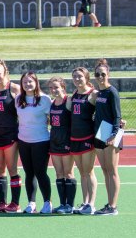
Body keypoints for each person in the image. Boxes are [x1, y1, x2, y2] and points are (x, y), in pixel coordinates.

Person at [0, 59, 22, 213]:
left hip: (11, 134)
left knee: (12, 169)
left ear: (5, 73)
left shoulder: (14, 89)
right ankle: (2, 202)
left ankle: (15, 203)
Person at [15, 71, 53, 214]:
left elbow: (53, 119)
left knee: (40, 172)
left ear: (36, 83)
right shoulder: (18, 99)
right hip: (24, 141)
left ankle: (47, 202)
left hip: (41, 141)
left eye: (30, 81)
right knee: (28, 173)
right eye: (25, 82)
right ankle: (31, 203)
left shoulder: (44, 99)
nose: (27, 84)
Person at [93, 59, 123, 215]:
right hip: (100, 131)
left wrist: (114, 134)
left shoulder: (112, 92)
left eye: (103, 74)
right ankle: (109, 204)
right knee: (105, 170)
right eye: (97, 74)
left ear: (108, 75)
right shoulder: (100, 93)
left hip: (111, 132)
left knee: (112, 171)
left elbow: (117, 116)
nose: (100, 77)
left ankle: (113, 206)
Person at [70, 67, 98, 215]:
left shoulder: (93, 94)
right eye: (74, 77)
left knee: (89, 171)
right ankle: (85, 202)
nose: (77, 79)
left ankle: (91, 204)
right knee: (81, 173)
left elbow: (105, 111)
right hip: (74, 137)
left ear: (86, 77)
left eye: (80, 76)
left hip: (87, 137)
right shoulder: (74, 93)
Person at [47, 76, 76, 214]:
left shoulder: (68, 101)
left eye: (56, 87)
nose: (54, 90)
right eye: (51, 88)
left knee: (68, 172)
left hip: (66, 140)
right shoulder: (52, 103)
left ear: (63, 87)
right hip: (54, 140)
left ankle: (70, 205)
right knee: (59, 173)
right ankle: (62, 204)